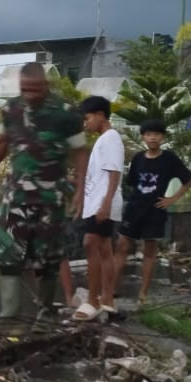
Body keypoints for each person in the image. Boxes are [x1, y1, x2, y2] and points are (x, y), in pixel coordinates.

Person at [0, 63, 88, 319]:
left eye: (35, 90)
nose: (30, 95)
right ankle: (9, 313)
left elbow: (80, 152)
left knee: (48, 260)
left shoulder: (66, 114)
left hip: (51, 199)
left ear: (46, 86)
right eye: (25, 90)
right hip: (15, 197)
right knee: (8, 256)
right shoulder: (11, 109)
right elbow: (1, 143)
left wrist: (80, 188)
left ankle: (45, 311)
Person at [114, 118, 191, 309]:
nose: (152, 138)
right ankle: (111, 288)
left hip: (155, 211)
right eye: (148, 134)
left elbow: (189, 180)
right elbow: (133, 183)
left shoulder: (169, 158)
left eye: (156, 134)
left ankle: (143, 293)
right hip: (134, 209)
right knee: (121, 247)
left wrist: (171, 199)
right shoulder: (138, 158)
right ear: (143, 137)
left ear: (162, 137)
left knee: (149, 251)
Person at [72, 97, 125, 321]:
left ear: (100, 115)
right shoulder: (104, 140)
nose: (86, 124)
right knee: (104, 248)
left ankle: (93, 300)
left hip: (102, 203)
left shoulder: (111, 139)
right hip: (98, 202)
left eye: (87, 118)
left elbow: (114, 173)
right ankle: (108, 301)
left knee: (90, 243)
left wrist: (105, 203)